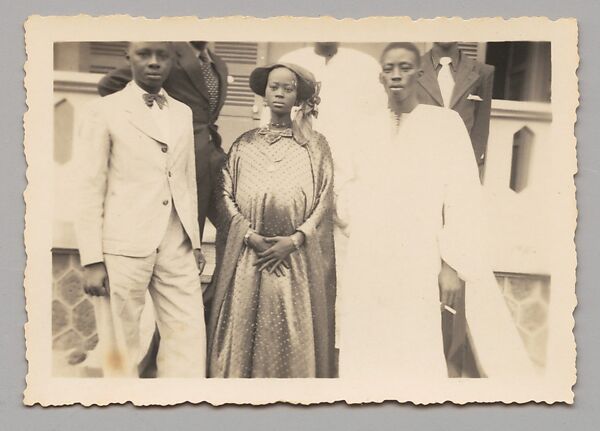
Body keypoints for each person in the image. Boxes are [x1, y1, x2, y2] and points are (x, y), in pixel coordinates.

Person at [339, 43, 533, 382]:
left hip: (418, 255)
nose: (396, 74)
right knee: (366, 342)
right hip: (368, 255)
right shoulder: (364, 126)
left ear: (418, 72)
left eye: (404, 67)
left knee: (414, 346)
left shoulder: (444, 125)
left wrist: (451, 264)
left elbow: (461, 198)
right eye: (389, 68)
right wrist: (360, 218)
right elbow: (344, 183)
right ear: (380, 76)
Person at [75, 42, 206, 377]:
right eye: (144, 54)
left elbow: (186, 180)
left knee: (188, 337)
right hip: (123, 243)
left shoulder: (182, 112)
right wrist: (91, 259)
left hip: (176, 242)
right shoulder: (103, 111)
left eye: (162, 56)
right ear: (128, 58)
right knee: (120, 346)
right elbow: (88, 187)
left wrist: (194, 242)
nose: (153, 63)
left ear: (173, 62)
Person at [207, 63, 336, 378]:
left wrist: (294, 240)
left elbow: (324, 198)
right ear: (264, 93)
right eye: (274, 87)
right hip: (250, 257)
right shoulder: (243, 144)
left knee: (290, 329)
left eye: (287, 88)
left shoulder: (315, 146)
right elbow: (224, 196)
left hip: (294, 261)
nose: (279, 93)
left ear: (298, 97)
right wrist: (250, 236)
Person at [261, 42, 386, 349]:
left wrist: (358, 185)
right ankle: (294, 348)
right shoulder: (292, 61)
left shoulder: (366, 66)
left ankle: (337, 353)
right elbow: (272, 130)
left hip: (347, 184)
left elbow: (377, 129)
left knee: (343, 274)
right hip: (298, 185)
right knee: (295, 273)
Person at [417, 42, 495, 377]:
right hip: (422, 179)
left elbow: (481, 134)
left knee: (455, 266)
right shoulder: (412, 67)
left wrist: (468, 183)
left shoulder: (482, 73)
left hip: (459, 175)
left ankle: (451, 358)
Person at [98, 41, 229, 239]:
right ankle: (190, 261)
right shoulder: (166, 55)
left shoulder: (217, 63)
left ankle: (224, 267)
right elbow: (109, 84)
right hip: (179, 151)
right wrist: (151, 121)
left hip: (212, 150)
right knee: (187, 219)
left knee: (229, 217)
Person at [417, 42, 494, 176]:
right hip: (420, 162)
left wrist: (469, 165)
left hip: (461, 165)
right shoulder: (413, 68)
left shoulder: (482, 72)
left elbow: (481, 127)